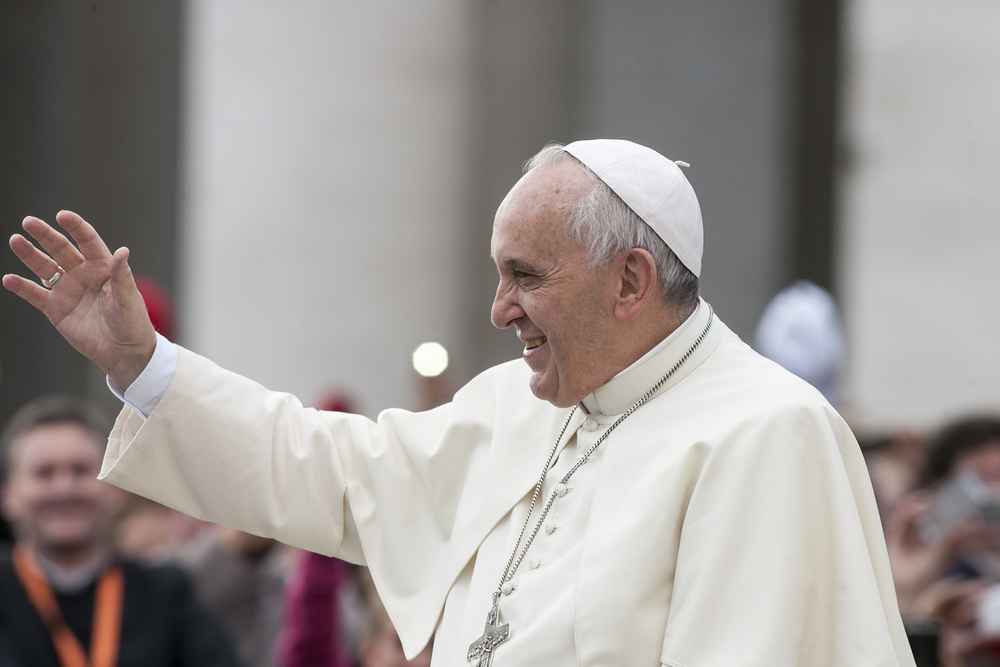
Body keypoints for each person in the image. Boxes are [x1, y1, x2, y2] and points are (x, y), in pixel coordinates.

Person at [3, 139, 916, 666]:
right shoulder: (517, 403)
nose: (498, 309)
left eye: (525, 276)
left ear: (631, 280)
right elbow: (332, 471)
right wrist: (144, 361)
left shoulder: (768, 431)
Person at [0, 395, 243, 667]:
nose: (65, 489)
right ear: (8, 495)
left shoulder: (163, 595)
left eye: (81, 471)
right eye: (44, 473)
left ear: (115, 488)